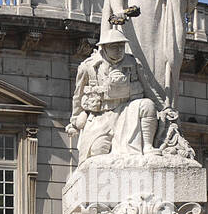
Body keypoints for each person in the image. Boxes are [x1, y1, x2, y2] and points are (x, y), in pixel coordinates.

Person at [66, 28, 160, 159]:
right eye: (114, 46)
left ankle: (148, 146)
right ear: (104, 47)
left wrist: (163, 108)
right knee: (97, 152)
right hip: (101, 116)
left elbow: (148, 89)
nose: (119, 50)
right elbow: (78, 96)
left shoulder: (132, 63)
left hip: (126, 111)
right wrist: (75, 121)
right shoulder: (88, 67)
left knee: (147, 105)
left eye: (122, 46)